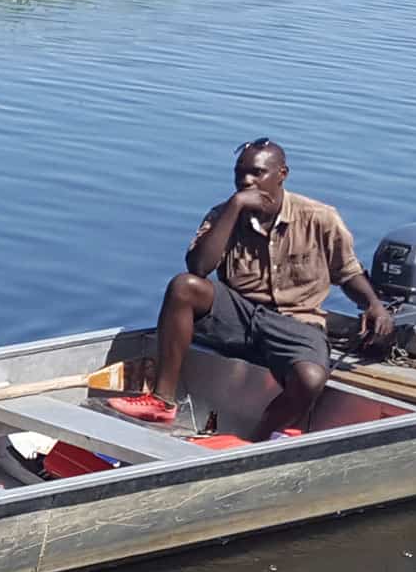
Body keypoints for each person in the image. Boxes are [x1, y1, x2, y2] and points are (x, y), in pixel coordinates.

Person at [108, 138, 393, 439]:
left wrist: (373, 304)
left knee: (310, 380)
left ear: (282, 173)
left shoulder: (320, 218)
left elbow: (347, 272)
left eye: (257, 173)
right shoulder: (224, 215)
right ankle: (161, 401)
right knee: (184, 287)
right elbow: (199, 268)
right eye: (240, 173)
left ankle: (257, 439)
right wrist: (236, 206)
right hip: (239, 316)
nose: (246, 181)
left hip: (296, 322)